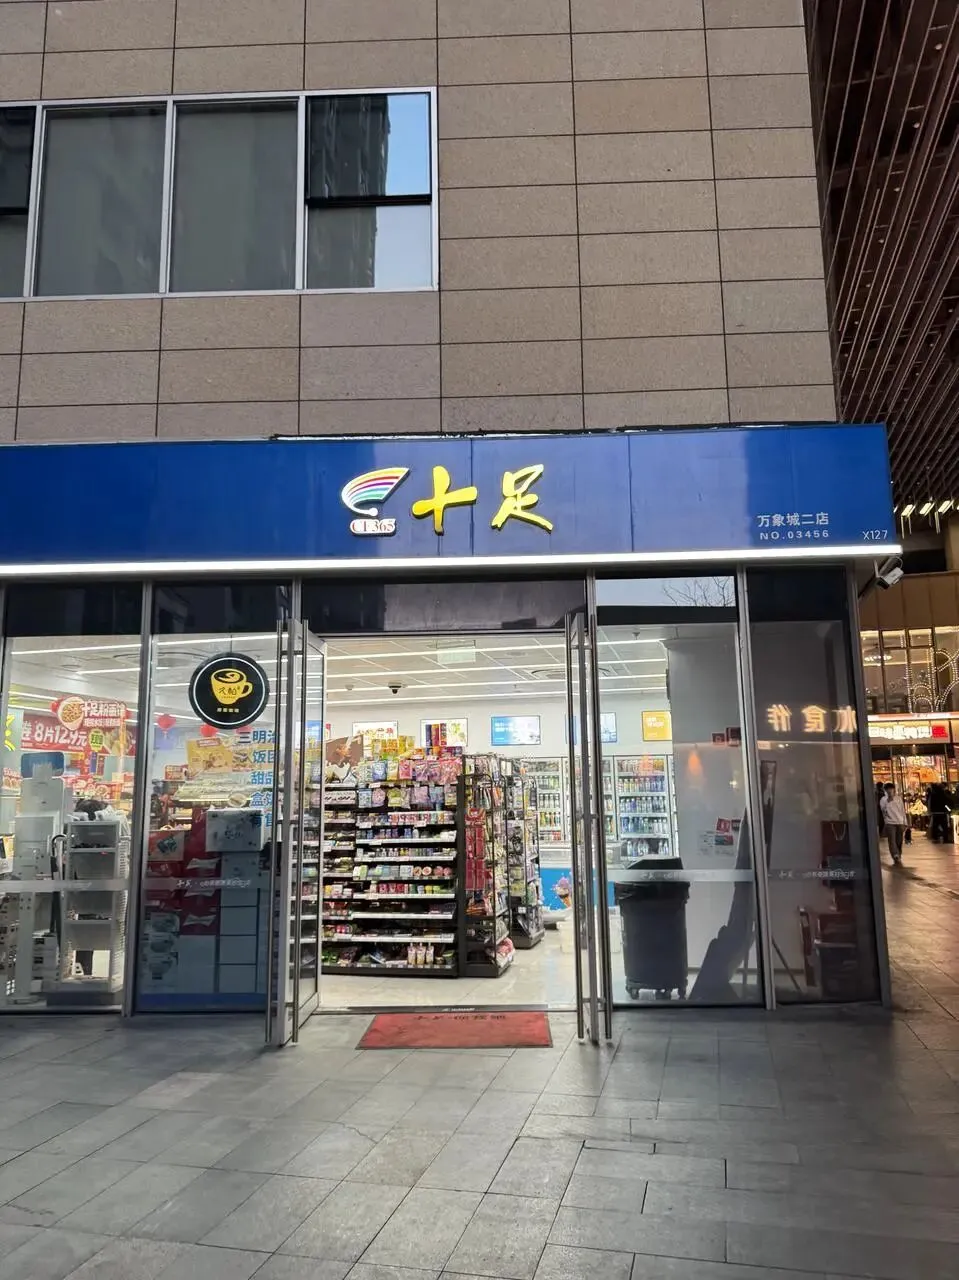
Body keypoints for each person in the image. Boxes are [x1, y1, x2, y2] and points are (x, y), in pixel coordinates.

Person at [880, 783, 907, 864]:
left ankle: (899, 853)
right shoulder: (883, 800)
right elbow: (883, 811)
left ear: (894, 789)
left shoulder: (898, 799)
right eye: (887, 789)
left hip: (899, 822)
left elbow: (902, 811)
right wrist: (888, 801)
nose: (889, 790)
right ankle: (895, 855)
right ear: (885, 790)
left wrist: (905, 822)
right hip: (889, 823)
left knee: (899, 840)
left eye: (891, 789)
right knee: (892, 840)